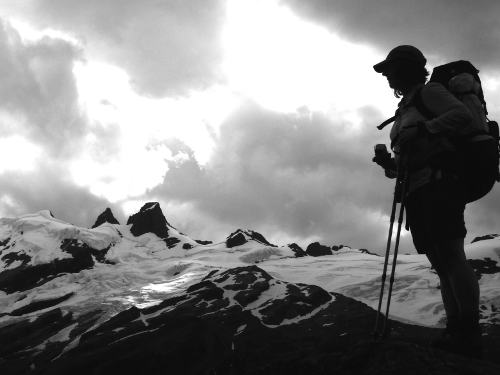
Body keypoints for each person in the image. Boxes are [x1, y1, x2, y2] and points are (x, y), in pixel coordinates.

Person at [372, 45, 482, 358]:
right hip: (418, 189)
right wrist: (387, 164)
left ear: (406, 69)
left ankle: (469, 334)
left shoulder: (429, 93)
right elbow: (406, 163)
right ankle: (457, 330)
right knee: (441, 262)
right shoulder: (405, 110)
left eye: (391, 70)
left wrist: (426, 128)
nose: (388, 77)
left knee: (450, 256)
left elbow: (461, 116)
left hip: (440, 183)